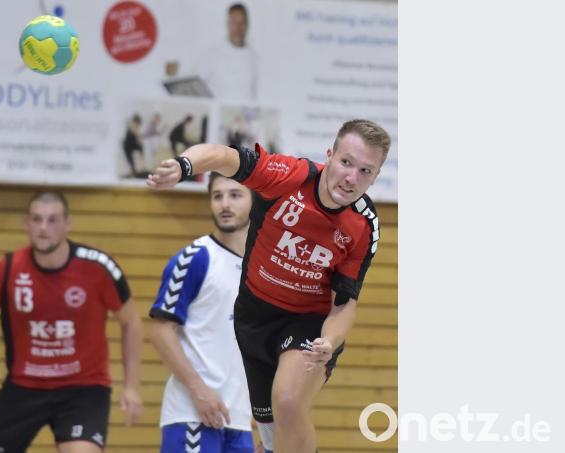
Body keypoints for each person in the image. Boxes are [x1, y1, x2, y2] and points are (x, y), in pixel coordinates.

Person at [147, 119, 390, 453]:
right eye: (346, 162)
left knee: (288, 400)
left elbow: (345, 303)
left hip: (308, 322)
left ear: (375, 177)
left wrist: (329, 342)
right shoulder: (287, 176)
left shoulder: (363, 225)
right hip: (254, 318)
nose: (351, 178)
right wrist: (184, 165)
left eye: (365, 170)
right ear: (330, 156)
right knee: (273, 435)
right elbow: (222, 155)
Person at [0, 191, 144, 453]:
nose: (44, 228)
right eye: (37, 219)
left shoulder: (99, 267)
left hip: (83, 388)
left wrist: (132, 387)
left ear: (68, 224)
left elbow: (131, 323)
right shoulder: (8, 269)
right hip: (24, 386)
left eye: (52, 220)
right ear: (27, 223)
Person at [149, 172, 254, 453]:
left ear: (255, 202)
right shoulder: (195, 257)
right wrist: (198, 389)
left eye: (235, 195)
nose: (224, 204)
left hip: (239, 420)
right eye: (217, 196)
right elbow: (160, 331)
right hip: (192, 416)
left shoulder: (261, 270)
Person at [166, 3, 259, 101]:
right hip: (218, 114)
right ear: (227, 24)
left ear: (247, 24)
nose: (238, 28)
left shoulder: (254, 58)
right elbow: (189, 86)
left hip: (245, 115)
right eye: (234, 22)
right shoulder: (213, 55)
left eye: (242, 22)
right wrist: (173, 76)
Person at [123, 114, 147, 178]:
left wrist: (140, 140)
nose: (137, 126)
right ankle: (132, 172)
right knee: (131, 163)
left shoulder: (136, 127)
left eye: (138, 124)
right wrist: (139, 137)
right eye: (136, 124)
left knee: (141, 148)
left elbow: (138, 137)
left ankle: (141, 167)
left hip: (133, 144)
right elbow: (136, 133)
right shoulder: (131, 127)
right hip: (127, 146)